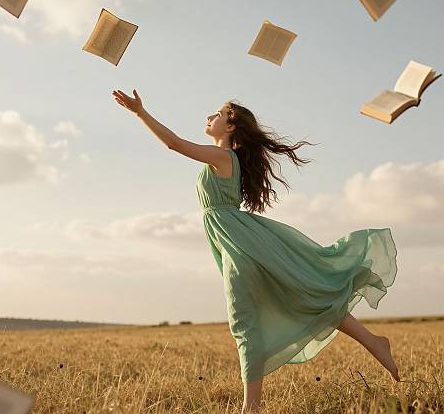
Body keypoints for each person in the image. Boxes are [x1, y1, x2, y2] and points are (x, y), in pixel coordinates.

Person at [112, 88, 400, 414]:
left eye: (217, 114)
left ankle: (250, 409)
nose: (210, 117)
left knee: (246, 323)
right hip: (238, 242)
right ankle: (372, 342)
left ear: (231, 126)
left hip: (241, 246)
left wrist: (140, 113)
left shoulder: (222, 156)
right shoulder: (224, 158)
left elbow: (174, 143)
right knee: (300, 296)